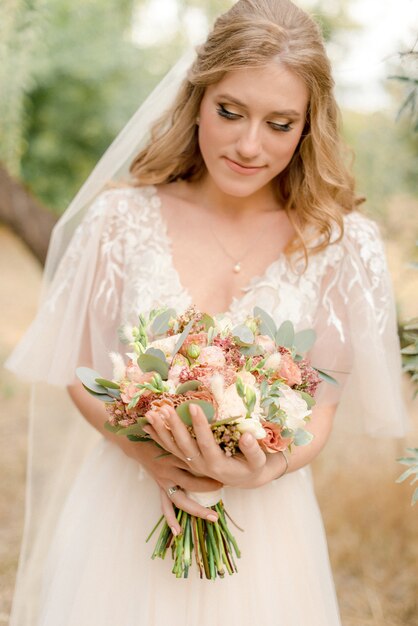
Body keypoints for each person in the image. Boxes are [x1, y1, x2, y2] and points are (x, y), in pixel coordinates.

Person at [5, 1, 408, 625]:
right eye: (230, 112)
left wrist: (254, 468)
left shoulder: (340, 243)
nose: (250, 146)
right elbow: (81, 372)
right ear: (198, 99)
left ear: (308, 127)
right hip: (125, 510)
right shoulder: (121, 221)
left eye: (280, 123)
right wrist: (146, 452)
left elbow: (321, 405)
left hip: (265, 523)